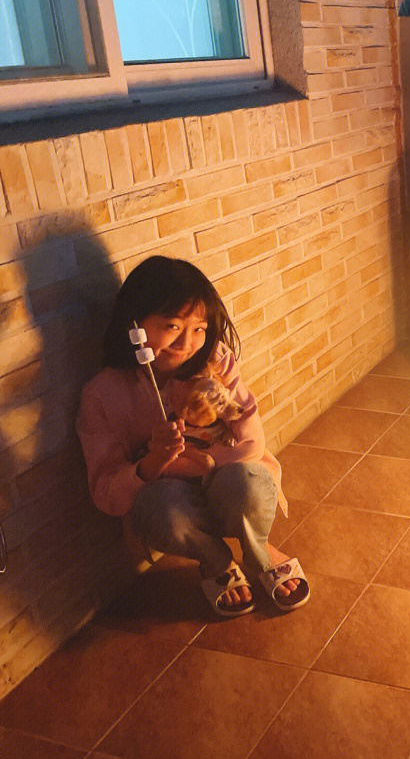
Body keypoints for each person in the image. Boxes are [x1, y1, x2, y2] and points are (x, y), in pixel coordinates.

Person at [76, 256, 310, 617]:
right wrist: (152, 462)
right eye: (172, 325)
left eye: (199, 328)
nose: (188, 343)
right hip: (176, 507)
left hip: (229, 487)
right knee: (159, 510)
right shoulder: (101, 395)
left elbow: (251, 436)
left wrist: (209, 463)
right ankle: (217, 561)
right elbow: (107, 493)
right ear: (135, 324)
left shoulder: (215, 361)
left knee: (245, 480)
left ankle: (260, 552)